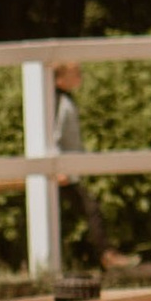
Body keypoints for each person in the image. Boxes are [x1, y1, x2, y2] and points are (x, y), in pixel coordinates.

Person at [53, 62, 120, 270]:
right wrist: (58, 167)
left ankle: (101, 255)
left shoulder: (64, 99)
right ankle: (104, 255)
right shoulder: (55, 101)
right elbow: (51, 135)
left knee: (87, 209)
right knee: (90, 209)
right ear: (61, 78)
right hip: (60, 172)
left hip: (67, 171)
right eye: (76, 73)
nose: (80, 77)